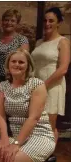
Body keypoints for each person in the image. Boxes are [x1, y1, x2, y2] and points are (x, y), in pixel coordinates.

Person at [0, 49, 55, 162]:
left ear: (28, 66)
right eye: (13, 61)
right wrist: (4, 138)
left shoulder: (37, 85)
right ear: (8, 65)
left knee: (16, 159)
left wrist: (16, 144)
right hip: (14, 134)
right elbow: (0, 115)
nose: (16, 64)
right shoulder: (2, 86)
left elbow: (33, 118)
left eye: (21, 62)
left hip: (38, 133)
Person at [31, 7, 70, 144]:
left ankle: (49, 155)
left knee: (49, 125)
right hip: (37, 86)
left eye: (51, 21)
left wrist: (44, 85)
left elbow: (63, 68)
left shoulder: (63, 41)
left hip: (52, 86)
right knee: (37, 121)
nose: (47, 23)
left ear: (59, 22)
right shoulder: (39, 42)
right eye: (45, 20)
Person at [0, 9, 29, 88]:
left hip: (14, 83)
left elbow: (24, 65)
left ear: (17, 23)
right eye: (6, 20)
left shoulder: (22, 40)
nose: (9, 23)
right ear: (2, 22)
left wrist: (14, 83)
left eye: (12, 21)